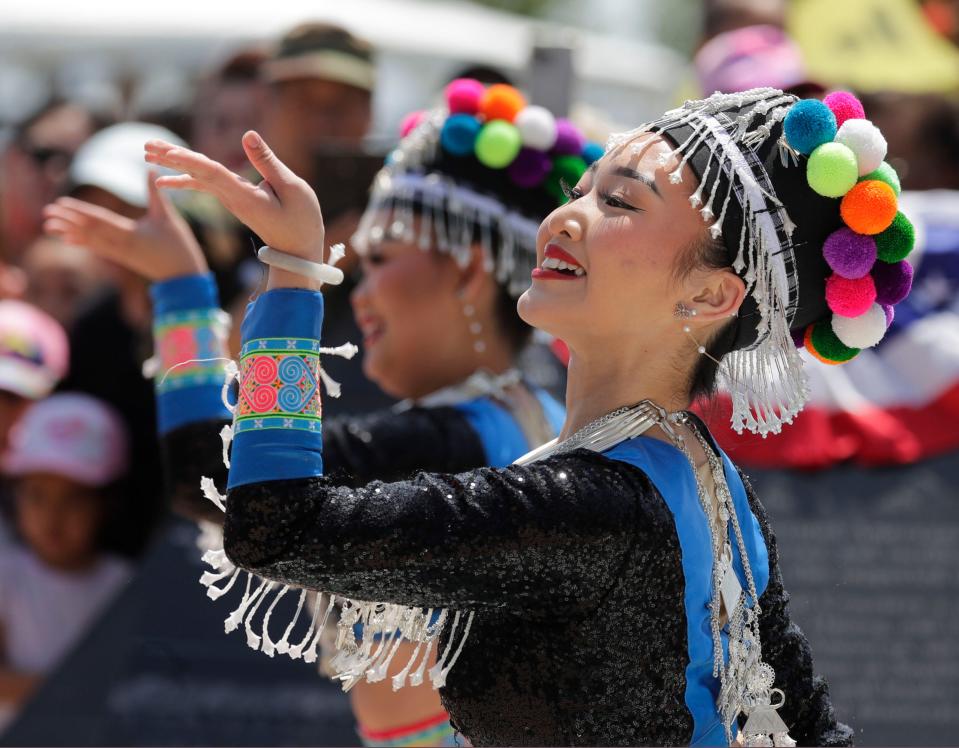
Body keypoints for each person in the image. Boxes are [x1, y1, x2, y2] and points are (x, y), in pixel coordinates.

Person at [44, 81, 580, 747]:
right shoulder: (542, 420)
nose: (361, 286)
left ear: (468, 272)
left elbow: (210, 479)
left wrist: (216, 288)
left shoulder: (451, 445)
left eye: (379, 258)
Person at [0, 393, 131, 732]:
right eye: (37, 496)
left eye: (74, 498)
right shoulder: (7, 575)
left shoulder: (125, 585)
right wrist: (73, 694)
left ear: (107, 504)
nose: (53, 516)